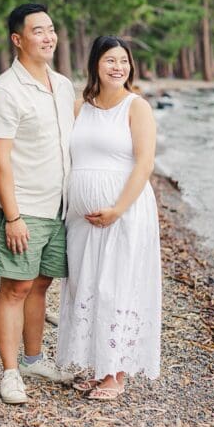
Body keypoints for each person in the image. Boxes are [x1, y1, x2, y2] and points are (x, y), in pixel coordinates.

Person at [0, 4, 76, 404]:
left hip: (60, 207)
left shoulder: (64, 85)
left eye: (51, 29)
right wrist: (13, 217)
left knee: (40, 285)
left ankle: (34, 359)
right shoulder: (5, 91)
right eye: (38, 30)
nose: (48, 36)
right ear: (18, 40)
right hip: (22, 207)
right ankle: (10, 372)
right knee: (16, 286)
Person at [56, 36, 161, 401]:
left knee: (114, 286)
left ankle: (116, 374)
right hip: (82, 219)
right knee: (85, 285)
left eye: (123, 61)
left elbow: (145, 163)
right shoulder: (78, 108)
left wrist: (117, 208)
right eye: (110, 60)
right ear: (95, 66)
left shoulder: (137, 107)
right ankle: (97, 367)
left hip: (125, 212)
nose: (118, 67)